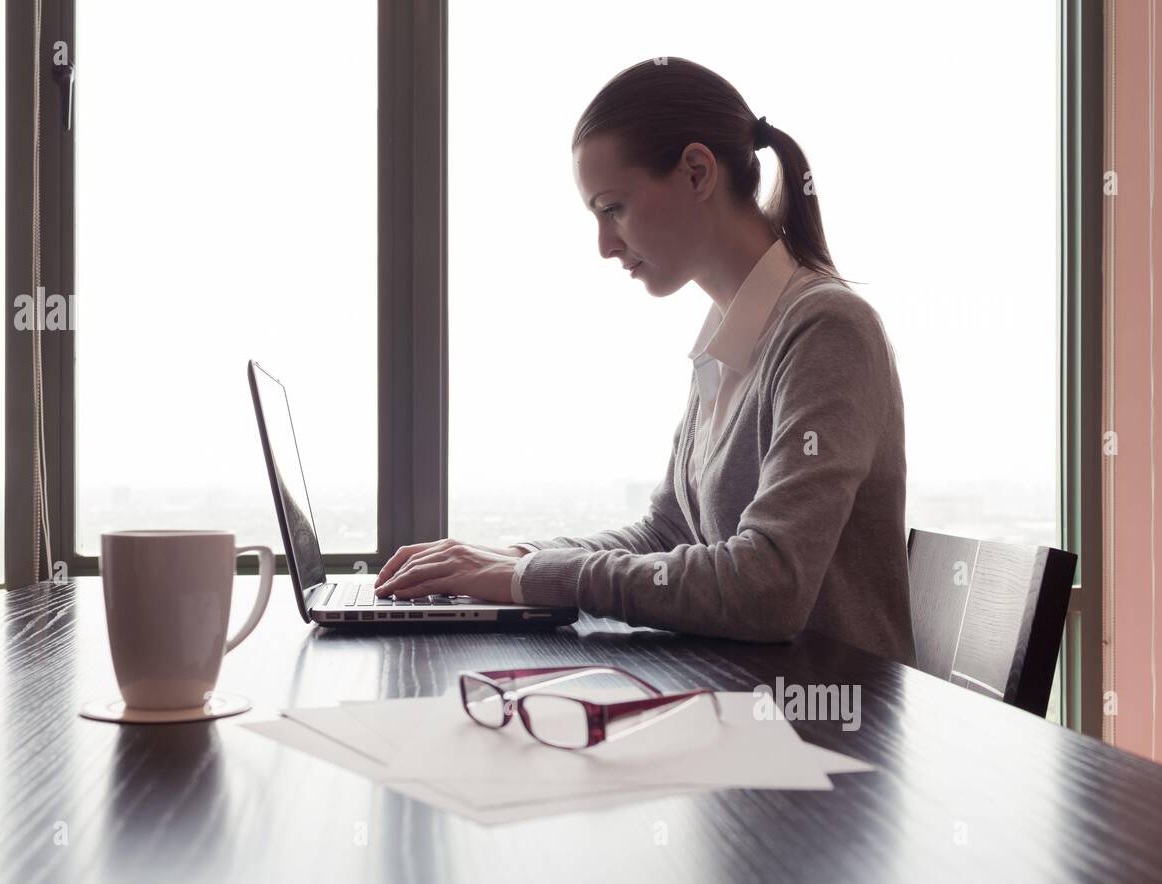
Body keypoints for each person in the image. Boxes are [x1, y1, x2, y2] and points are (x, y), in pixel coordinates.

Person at [374, 57, 913, 660]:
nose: (605, 245)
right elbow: (667, 534)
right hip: (743, 702)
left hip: (828, 724)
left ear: (696, 172)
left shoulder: (826, 329)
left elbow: (769, 586)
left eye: (613, 208)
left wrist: (529, 579)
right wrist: (519, 559)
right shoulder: (728, 337)